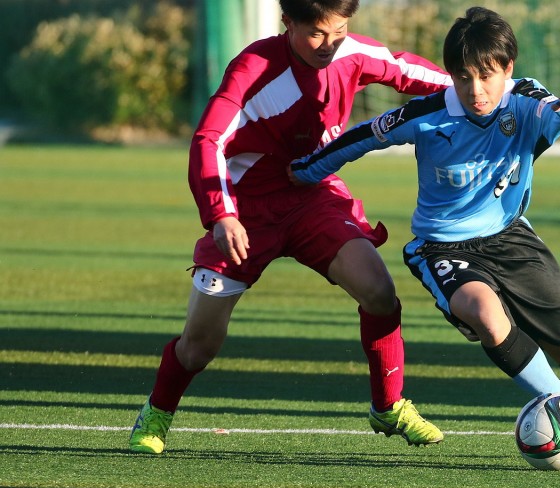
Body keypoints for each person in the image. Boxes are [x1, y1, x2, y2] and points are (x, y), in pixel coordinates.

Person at [289, 6, 560, 462]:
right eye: (463, 78)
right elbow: (362, 138)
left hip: (511, 237)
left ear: (507, 69)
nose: (476, 90)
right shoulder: (429, 114)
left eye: (487, 76)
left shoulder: (525, 101)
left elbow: (553, 112)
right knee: (485, 313)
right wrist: (304, 171)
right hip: (441, 247)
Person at [129, 0, 452, 454]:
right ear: (288, 24)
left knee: (379, 291)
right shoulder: (254, 67)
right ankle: (157, 412)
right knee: (199, 345)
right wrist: (221, 214)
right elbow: (208, 140)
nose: (329, 44)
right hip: (247, 209)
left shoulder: (350, 51)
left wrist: (507, 89)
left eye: (339, 30)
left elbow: (417, 74)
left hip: (312, 196)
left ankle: (389, 405)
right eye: (317, 33)